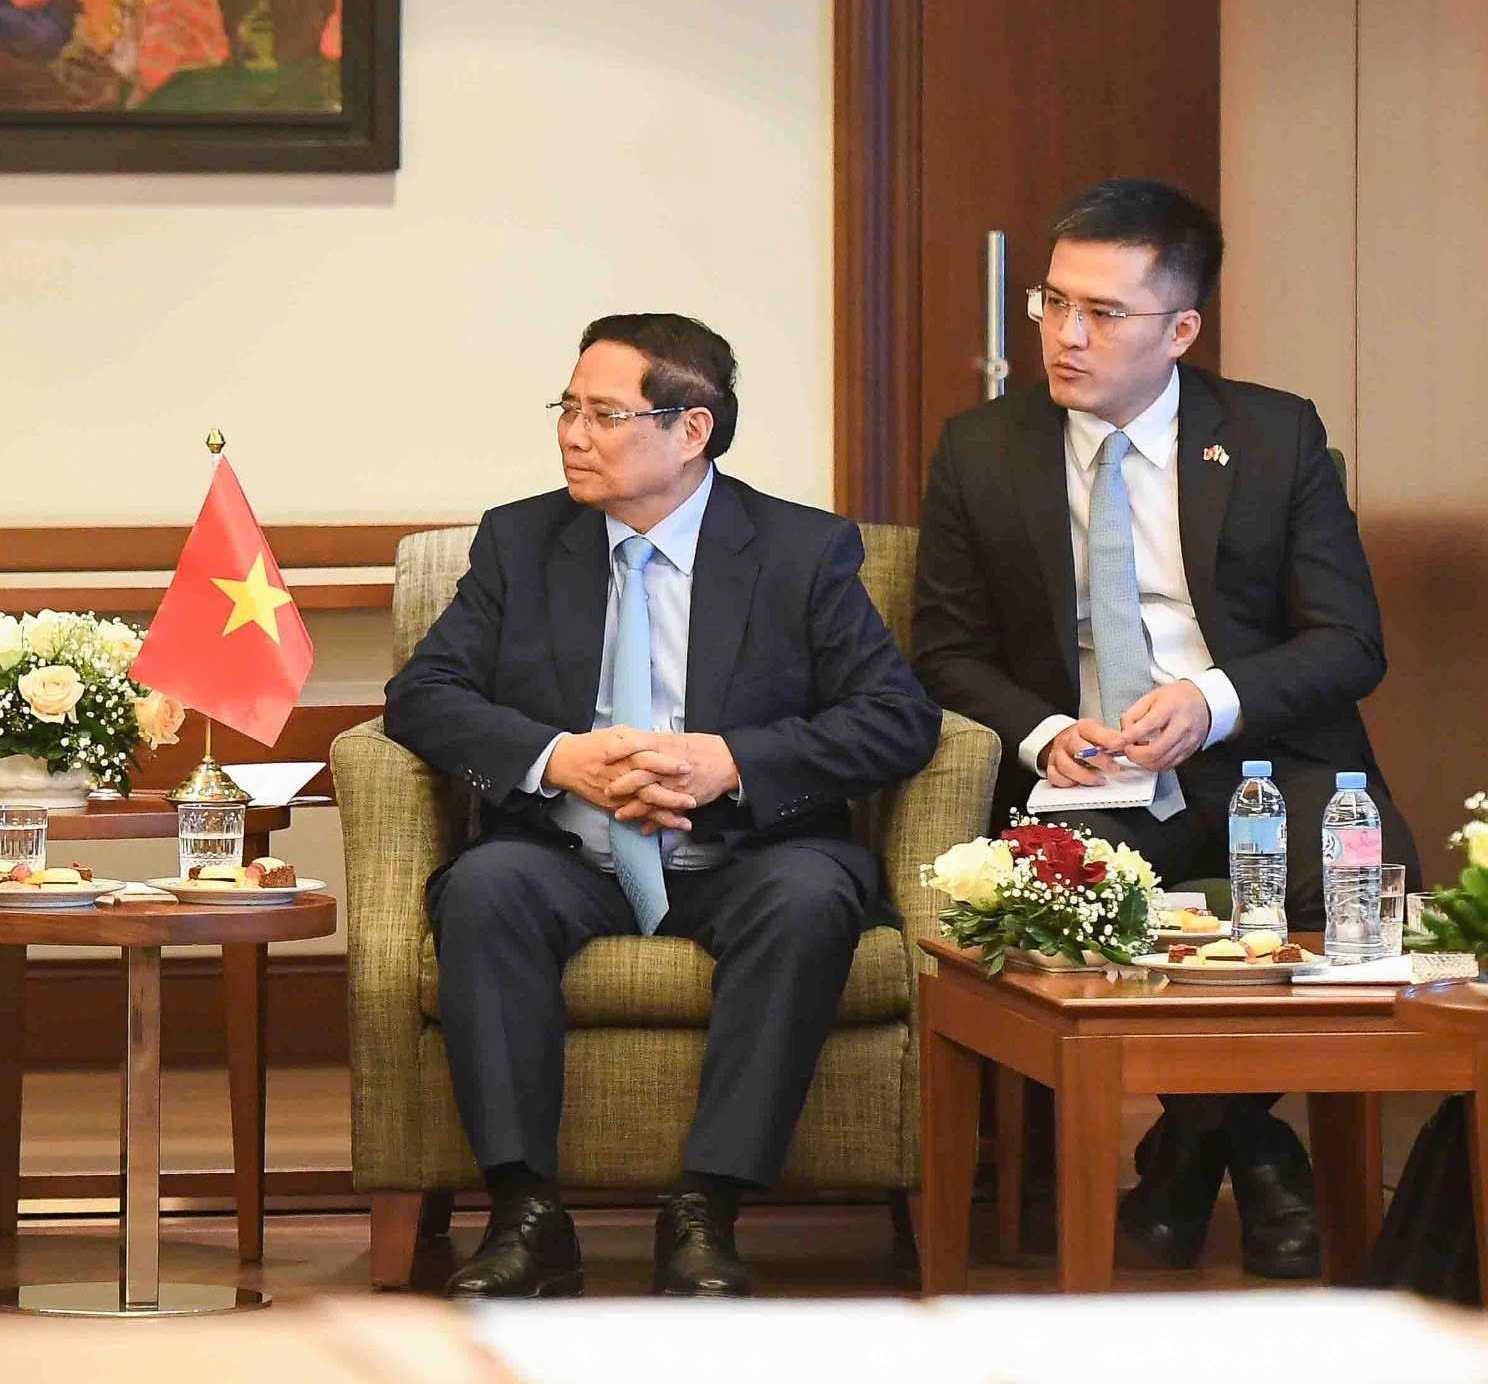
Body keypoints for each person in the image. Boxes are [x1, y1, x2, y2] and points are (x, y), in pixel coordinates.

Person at [911, 177, 1417, 1277]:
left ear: (1181, 329)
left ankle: (1189, 1150)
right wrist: (1046, 730)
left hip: (1262, 761)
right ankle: (1261, 1150)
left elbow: (1349, 643)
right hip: (1087, 776)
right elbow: (943, 650)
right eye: (1052, 302)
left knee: (1346, 878)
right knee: (1059, 899)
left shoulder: (1274, 436)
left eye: (1103, 312)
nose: (1065, 335)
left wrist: (1210, 698)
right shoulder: (981, 447)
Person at [384, 313, 939, 1299]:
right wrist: (560, 759)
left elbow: (898, 719)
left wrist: (732, 761)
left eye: (604, 414)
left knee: (808, 898)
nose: (572, 434)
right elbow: (422, 696)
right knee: (484, 888)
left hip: (746, 853)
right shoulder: (520, 540)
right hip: (568, 852)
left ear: (691, 430)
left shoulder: (801, 550)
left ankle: (705, 1209)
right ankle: (524, 1212)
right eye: (567, 409)